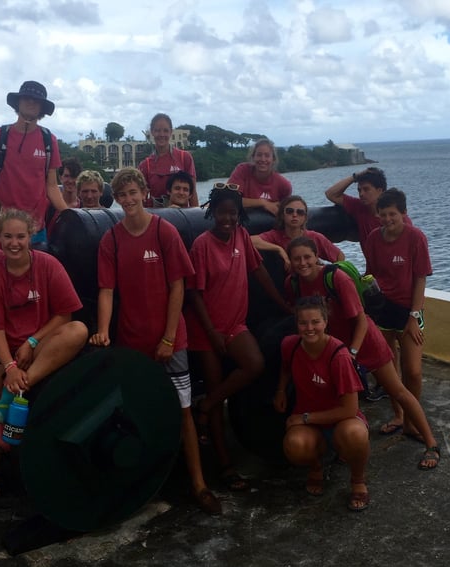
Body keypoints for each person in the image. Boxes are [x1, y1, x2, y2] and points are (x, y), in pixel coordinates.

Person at [89, 167, 220, 516]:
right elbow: (106, 290)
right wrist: (102, 332)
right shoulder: (111, 240)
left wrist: (168, 336)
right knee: (138, 412)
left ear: (144, 192)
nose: (129, 200)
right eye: (122, 195)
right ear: (116, 199)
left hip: (169, 340)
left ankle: (198, 483)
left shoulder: (164, 231)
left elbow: (178, 285)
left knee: (184, 411)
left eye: (134, 192)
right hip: (132, 341)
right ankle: (147, 481)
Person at [0, 208, 87, 536]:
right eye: (8, 237)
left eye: (21, 236)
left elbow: (66, 315)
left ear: (31, 236)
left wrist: (31, 342)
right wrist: (10, 366)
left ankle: (14, 391)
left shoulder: (47, 265)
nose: (15, 243)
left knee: (80, 331)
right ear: (0, 238)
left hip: (34, 346)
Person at [285, 236, 440, 469]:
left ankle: (431, 443)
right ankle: (351, 444)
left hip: (364, 341)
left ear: (317, 256)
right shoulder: (293, 283)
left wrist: (353, 352)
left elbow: (361, 320)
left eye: (307, 257)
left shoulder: (336, 277)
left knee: (396, 389)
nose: (302, 262)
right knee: (341, 399)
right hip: (334, 349)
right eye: (296, 258)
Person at [186, 183, 290, 490]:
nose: (227, 219)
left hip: (235, 324)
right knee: (219, 389)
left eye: (233, 213)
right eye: (222, 213)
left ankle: (204, 407)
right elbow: (195, 294)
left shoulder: (242, 237)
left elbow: (258, 272)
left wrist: (283, 304)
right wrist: (211, 333)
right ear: (212, 213)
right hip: (207, 329)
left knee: (254, 364)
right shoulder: (202, 245)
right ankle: (226, 466)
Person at [273, 297, 370, 510]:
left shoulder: (339, 356)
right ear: (296, 324)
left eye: (315, 322)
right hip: (311, 424)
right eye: (303, 323)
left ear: (326, 322)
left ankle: (358, 480)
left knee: (356, 434)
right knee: (294, 446)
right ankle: (316, 466)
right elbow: (286, 367)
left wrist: (305, 417)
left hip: (339, 420)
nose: (309, 328)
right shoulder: (290, 345)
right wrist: (281, 390)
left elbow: (349, 409)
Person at [363, 189, 434, 466]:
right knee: (388, 369)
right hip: (382, 309)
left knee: (413, 371)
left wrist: (414, 317)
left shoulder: (415, 237)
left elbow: (420, 279)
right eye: (383, 215)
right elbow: (371, 275)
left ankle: (413, 420)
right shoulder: (372, 239)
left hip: (410, 309)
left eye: (393, 214)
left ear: (403, 213)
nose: (388, 219)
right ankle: (399, 417)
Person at [0, 80, 68, 243]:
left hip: (35, 228)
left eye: (36, 100)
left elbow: (52, 186)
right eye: (27, 97)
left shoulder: (49, 140)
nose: (31, 102)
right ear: (18, 102)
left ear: (42, 107)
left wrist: (71, 216)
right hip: (3, 227)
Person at [324, 167, 413, 256]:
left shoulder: (399, 220)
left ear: (380, 191)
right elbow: (331, 194)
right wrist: (355, 177)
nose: (361, 194)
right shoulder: (359, 207)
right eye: (359, 190)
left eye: (366, 189)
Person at [252, 195, 344, 269]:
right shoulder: (275, 235)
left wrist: (331, 277)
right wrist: (278, 249)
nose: (295, 215)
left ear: (304, 218)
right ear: (282, 215)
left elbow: (339, 256)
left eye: (300, 212)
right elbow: (250, 240)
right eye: (289, 211)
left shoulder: (314, 237)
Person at [137, 113, 199, 207]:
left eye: (165, 131)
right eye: (157, 130)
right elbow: (141, 198)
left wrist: (196, 216)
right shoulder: (145, 165)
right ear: (152, 132)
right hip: (158, 217)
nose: (162, 134)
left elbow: (193, 193)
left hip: (183, 216)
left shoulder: (184, 157)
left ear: (171, 132)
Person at [227, 139, 292, 216]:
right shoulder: (242, 170)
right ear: (253, 157)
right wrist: (263, 203)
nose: (263, 159)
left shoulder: (284, 185)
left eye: (267, 155)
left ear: (273, 159)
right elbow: (229, 199)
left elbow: (288, 209)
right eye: (259, 155)